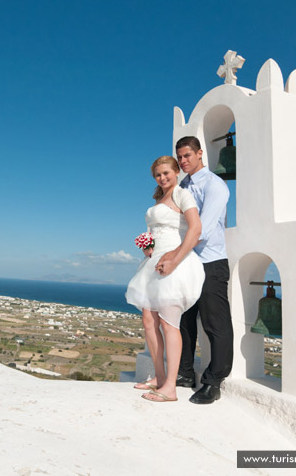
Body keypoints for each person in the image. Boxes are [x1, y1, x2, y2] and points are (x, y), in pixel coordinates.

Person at [156, 136, 232, 404]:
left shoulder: (216, 186)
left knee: (215, 324)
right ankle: (185, 373)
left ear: (200, 153)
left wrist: (174, 256)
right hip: (186, 262)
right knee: (183, 322)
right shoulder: (182, 186)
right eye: (180, 157)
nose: (183, 160)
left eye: (188, 155)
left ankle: (214, 382)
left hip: (210, 262)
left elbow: (203, 230)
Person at [125, 156, 205, 402]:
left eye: (166, 173)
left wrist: (175, 259)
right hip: (154, 261)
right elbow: (154, 230)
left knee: (170, 323)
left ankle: (170, 387)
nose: (163, 178)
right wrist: (147, 246)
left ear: (176, 172)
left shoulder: (183, 195)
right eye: (158, 175)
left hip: (174, 261)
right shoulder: (158, 199)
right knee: (149, 320)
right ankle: (159, 377)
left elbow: (195, 229)